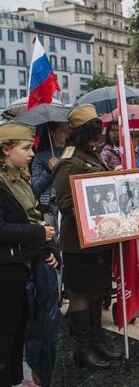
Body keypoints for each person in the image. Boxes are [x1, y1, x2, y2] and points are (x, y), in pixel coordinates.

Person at [53, 104, 122, 370]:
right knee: (81, 293)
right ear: (80, 133)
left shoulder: (91, 155)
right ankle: (82, 350)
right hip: (79, 242)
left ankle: (97, 341)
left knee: (97, 291)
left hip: (99, 238)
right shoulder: (70, 161)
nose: (97, 138)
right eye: (92, 132)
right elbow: (66, 204)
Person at [0, 122, 59, 387]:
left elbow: (32, 217)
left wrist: (47, 249)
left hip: (23, 263)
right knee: (6, 333)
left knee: (20, 329)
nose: (32, 153)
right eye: (25, 148)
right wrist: (37, 235)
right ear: (5, 149)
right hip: (6, 269)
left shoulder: (19, 178)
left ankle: (14, 378)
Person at [31, 122, 69, 221]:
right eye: (63, 131)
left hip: (69, 204)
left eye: (68, 130)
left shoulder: (72, 154)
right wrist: (48, 170)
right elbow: (35, 188)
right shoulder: (40, 157)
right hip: (49, 208)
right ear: (52, 133)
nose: (67, 133)